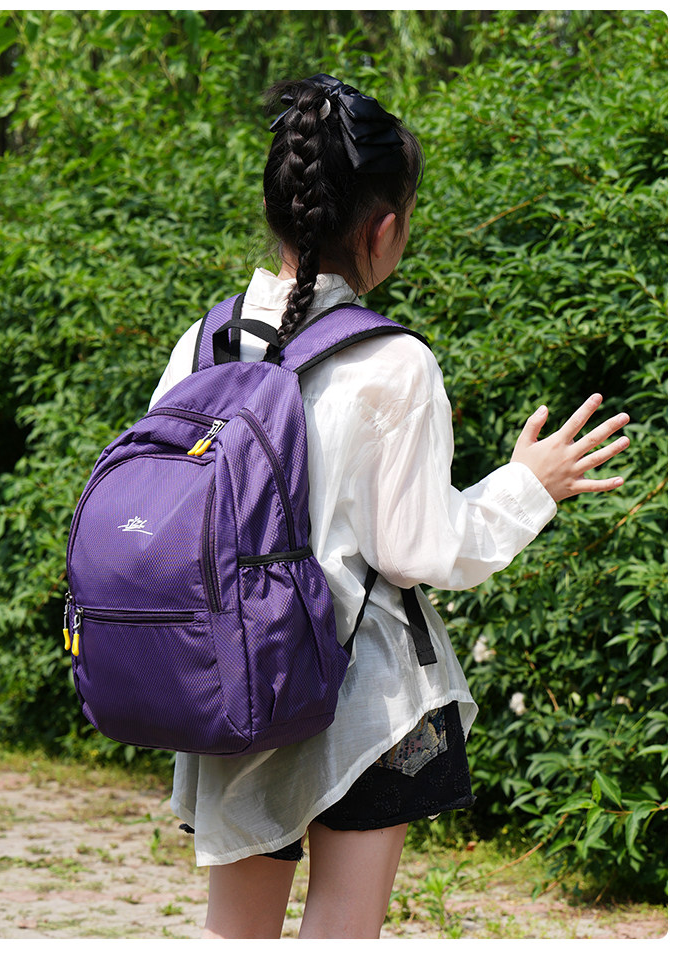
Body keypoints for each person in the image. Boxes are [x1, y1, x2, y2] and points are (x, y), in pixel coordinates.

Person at [149, 74, 630, 939]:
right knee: (344, 930)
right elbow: (415, 551)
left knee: (234, 932)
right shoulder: (392, 362)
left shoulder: (203, 343)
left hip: (228, 675)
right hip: (358, 696)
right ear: (383, 229)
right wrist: (529, 484)